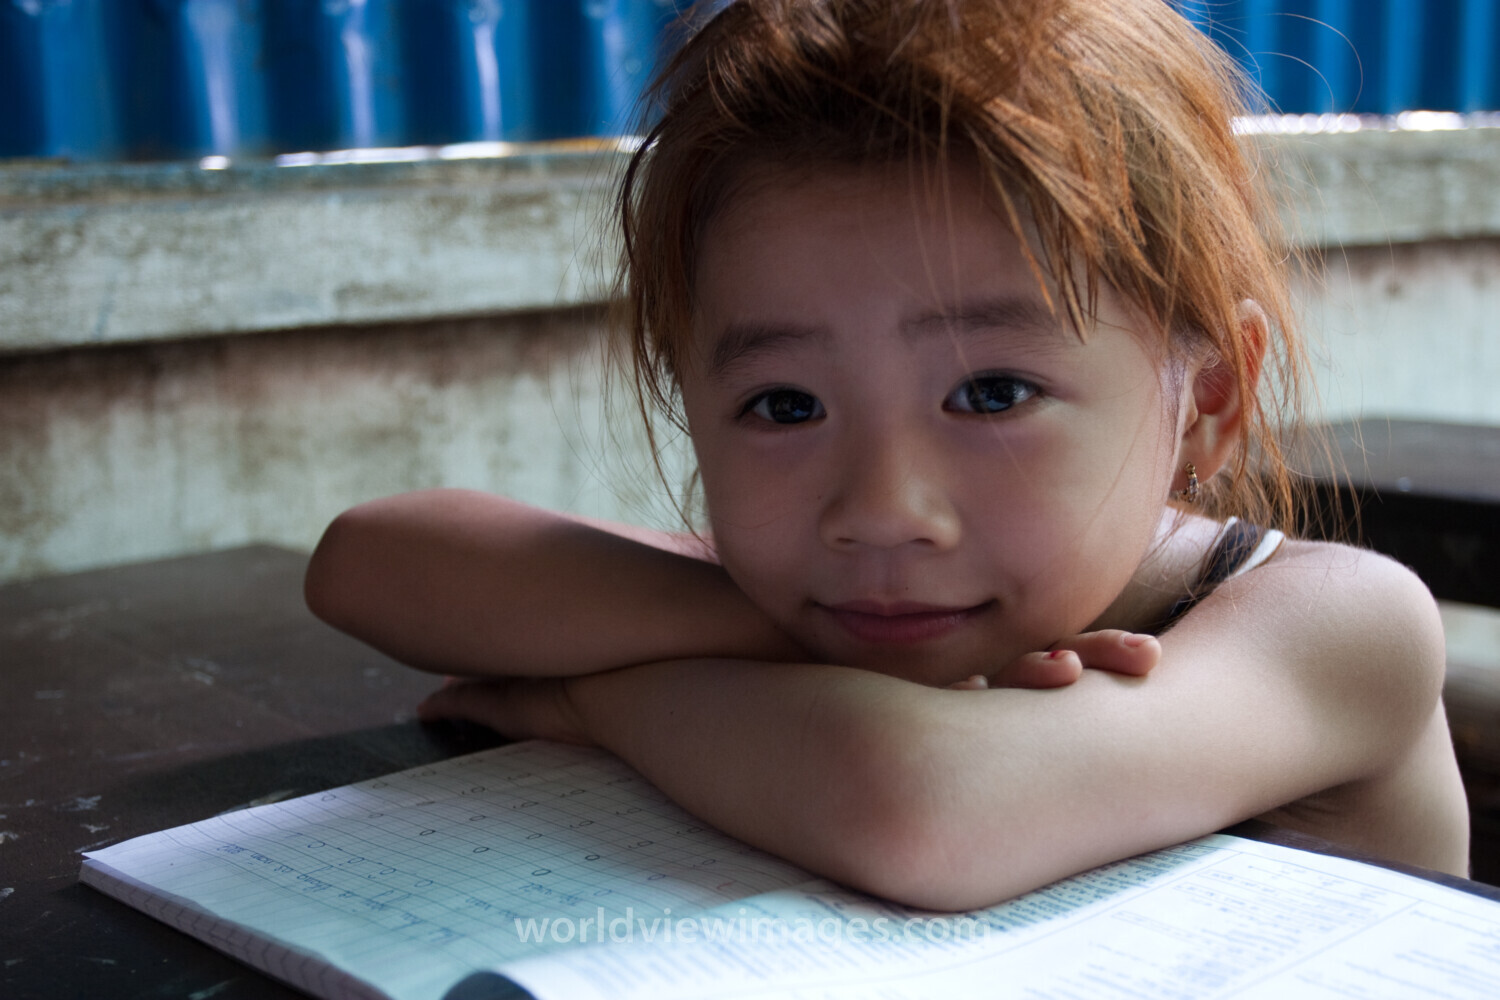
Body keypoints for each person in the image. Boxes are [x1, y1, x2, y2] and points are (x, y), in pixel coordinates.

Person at [304, 0, 1469, 910]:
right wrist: (766, 620)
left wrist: (593, 697)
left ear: (1207, 397)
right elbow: (369, 562)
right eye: (783, 406)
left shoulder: (1341, 624)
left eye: (992, 391)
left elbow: (929, 807)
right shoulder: (844, 586)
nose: (879, 509)